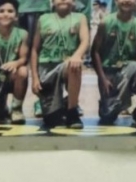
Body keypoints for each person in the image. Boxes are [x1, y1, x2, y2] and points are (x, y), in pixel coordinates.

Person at [93, 0, 136, 125]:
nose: (127, 1)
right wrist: (102, 78)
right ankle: (107, 102)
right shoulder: (105, 22)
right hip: (109, 72)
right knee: (107, 117)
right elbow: (95, 52)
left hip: (128, 69)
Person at [31, 0, 91, 129]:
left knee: (74, 66)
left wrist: (77, 55)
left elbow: (85, 41)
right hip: (47, 68)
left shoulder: (80, 18)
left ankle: (72, 111)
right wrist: (35, 78)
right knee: (52, 120)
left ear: (74, 2)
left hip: (67, 63)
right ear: (52, 2)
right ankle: (61, 104)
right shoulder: (43, 18)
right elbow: (35, 49)